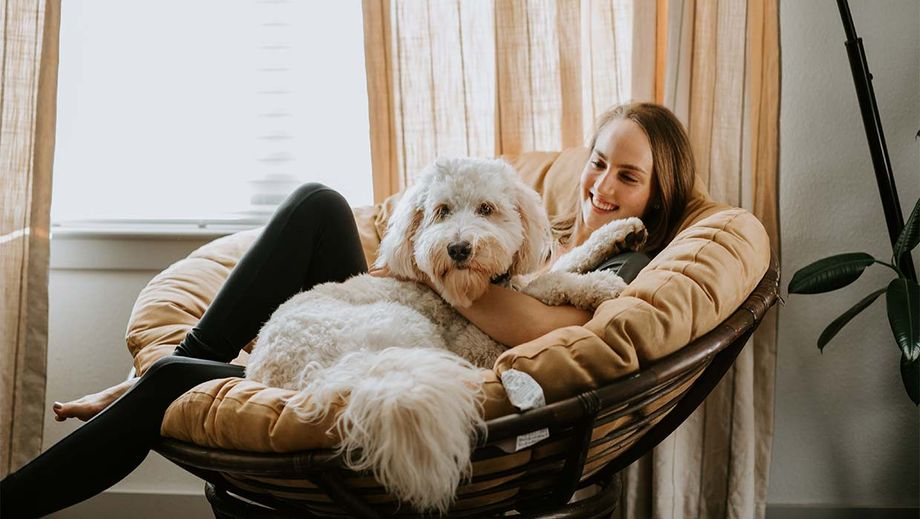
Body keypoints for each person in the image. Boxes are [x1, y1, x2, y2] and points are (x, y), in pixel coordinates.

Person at [0, 102, 695, 517]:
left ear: (656, 198)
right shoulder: (552, 232)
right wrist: (420, 258)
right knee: (319, 205)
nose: (601, 184)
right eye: (600, 162)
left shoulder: (624, 258)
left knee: (166, 386)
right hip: (394, 317)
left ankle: (167, 376)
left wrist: (446, 264)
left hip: (417, 356)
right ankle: (196, 354)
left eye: (626, 176)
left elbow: (543, 328)